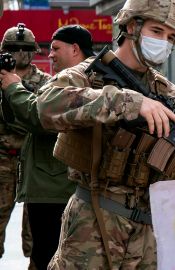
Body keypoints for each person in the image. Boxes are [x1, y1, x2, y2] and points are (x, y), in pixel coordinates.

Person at [34, 0, 175, 268]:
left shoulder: (168, 93)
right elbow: (47, 105)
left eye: (171, 37)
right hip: (93, 223)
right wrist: (128, 102)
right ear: (131, 26)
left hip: (148, 232)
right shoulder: (87, 74)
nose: (164, 42)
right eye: (157, 31)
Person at [0, 24, 93, 270]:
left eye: (54, 48)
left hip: (54, 182)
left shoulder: (69, 81)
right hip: (36, 175)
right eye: (13, 48)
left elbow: (38, 117)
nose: (49, 54)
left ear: (74, 49)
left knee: (46, 251)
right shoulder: (64, 79)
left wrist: (13, 88)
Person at [0, 22, 49, 266]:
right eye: (13, 48)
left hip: (35, 164)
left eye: (24, 48)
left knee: (39, 236)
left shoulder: (47, 83)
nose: (19, 53)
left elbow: (42, 119)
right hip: (3, 162)